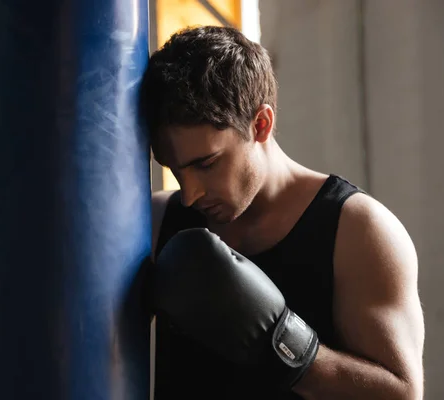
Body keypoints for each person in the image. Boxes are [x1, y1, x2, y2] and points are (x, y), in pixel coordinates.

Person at [141, 26, 425, 400]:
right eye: (175, 169)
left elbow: (402, 394)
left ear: (261, 124)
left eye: (207, 163)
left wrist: (281, 344)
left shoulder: (358, 230)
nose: (190, 195)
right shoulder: (158, 221)